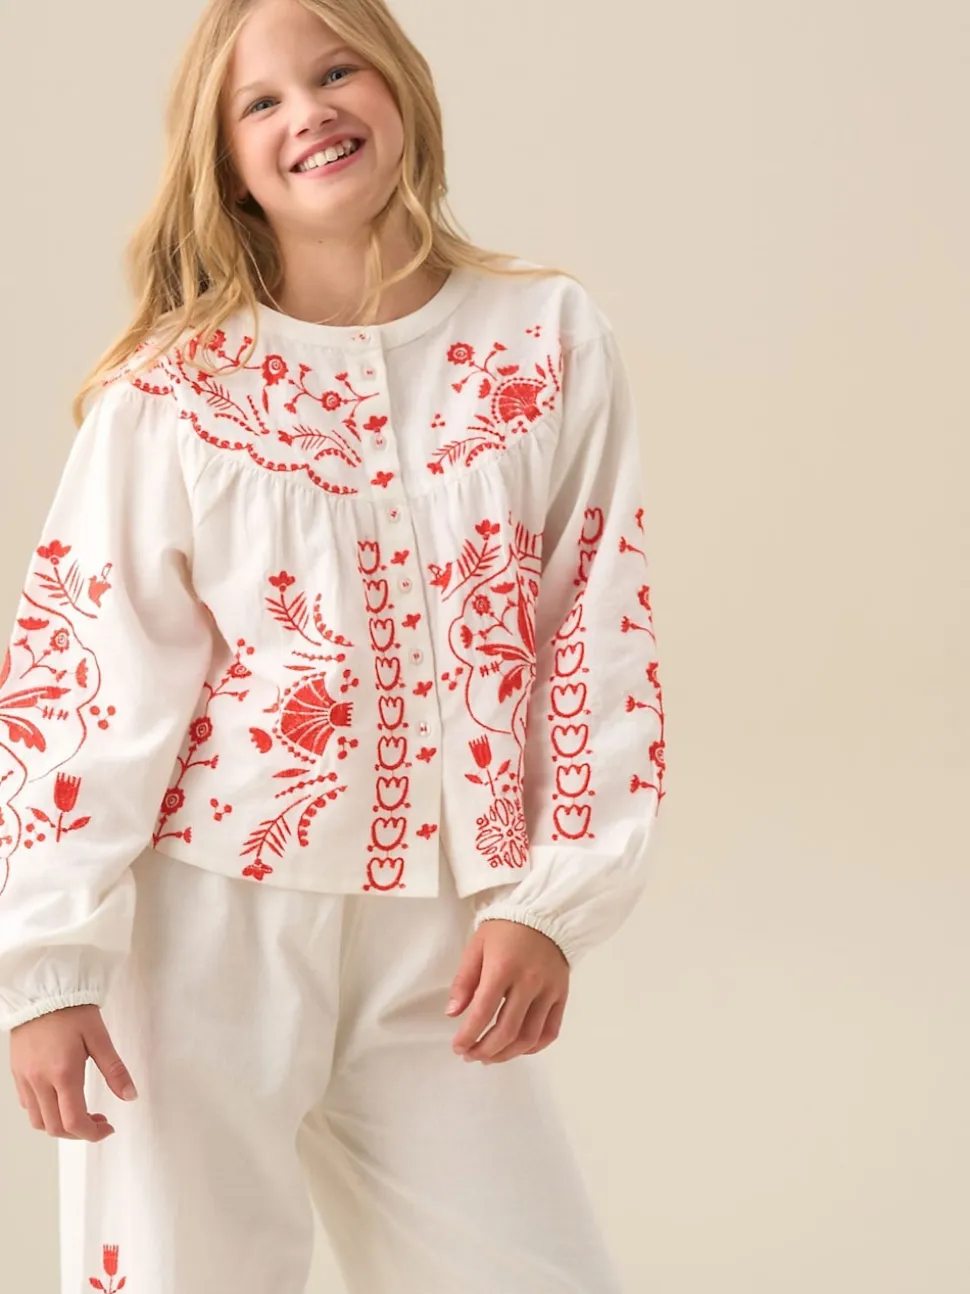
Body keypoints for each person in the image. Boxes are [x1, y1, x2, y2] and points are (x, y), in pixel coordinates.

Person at [0, 0, 667, 1290]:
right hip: (201, 936)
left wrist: (552, 901)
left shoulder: (544, 336)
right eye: (261, 102)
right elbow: (83, 678)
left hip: (449, 935)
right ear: (227, 157)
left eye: (336, 68)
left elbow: (592, 623)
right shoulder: (173, 392)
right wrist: (47, 971)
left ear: (399, 84)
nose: (308, 111)